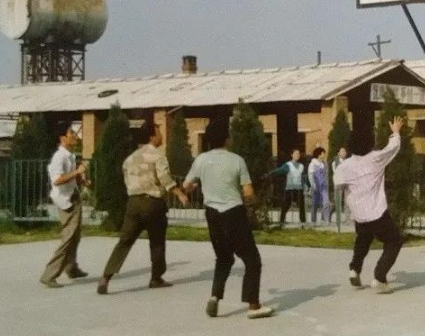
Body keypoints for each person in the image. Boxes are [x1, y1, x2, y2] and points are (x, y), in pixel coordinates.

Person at [183, 117, 274, 319]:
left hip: (212, 213)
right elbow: (248, 192)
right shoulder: (236, 160)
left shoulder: (201, 160)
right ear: (227, 138)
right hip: (233, 212)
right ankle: (253, 304)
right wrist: (255, 203)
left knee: (224, 258)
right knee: (251, 259)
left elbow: (187, 186)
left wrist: (198, 185)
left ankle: (215, 296)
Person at [97, 123, 189, 295]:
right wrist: (179, 193)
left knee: (124, 241)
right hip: (153, 203)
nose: (162, 135)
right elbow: (164, 177)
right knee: (157, 241)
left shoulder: (129, 159)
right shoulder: (157, 156)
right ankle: (156, 278)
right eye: (159, 132)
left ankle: (106, 277)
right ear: (152, 137)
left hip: (133, 203)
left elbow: (127, 182)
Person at [334, 117, 405, 294]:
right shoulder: (375, 158)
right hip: (376, 211)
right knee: (394, 240)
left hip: (359, 213)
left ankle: (354, 269)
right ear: (370, 144)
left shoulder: (345, 166)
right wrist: (395, 132)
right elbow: (392, 148)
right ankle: (379, 277)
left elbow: (337, 184)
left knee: (363, 238)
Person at [40, 123, 90, 288]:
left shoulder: (70, 156)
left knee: (75, 236)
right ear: (62, 138)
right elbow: (57, 180)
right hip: (65, 201)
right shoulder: (59, 157)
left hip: (72, 197)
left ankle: (71, 268)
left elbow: (70, 177)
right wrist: (77, 172)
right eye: (71, 133)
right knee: (69, 237)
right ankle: (49, 275)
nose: (75, 136)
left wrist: (82, 180)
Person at [267, 149, 306, 227]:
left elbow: (303, 177)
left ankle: (303, 222)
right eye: (295, 153)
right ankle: (282, 221)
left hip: (299, 188)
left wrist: (307, 186)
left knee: (301, 205)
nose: (297, 155)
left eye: (298, 154)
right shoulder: (288, 165)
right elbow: (279, 170)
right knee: (286, 205)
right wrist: (270, 173)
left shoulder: (301, 166)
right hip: (290, 188)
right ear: (292, 155)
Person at [308, 147, 332, 224]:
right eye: (323, 153)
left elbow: (325, 176)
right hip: (315, 186)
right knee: (314, 204)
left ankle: (325, 219)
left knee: (326, 202)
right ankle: (313, 221)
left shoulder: (324, 164)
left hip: (323, 186)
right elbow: (310, 176)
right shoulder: (312, 164)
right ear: (319, 154)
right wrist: (313, 185)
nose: (324, 155)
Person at [331, 147, 350, 223]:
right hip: (338, 183)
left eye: (345, 151)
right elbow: (337, 172)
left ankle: (347, 219)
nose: (344, 153)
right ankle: (335, 217)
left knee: (347, 201)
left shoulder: (348, 162)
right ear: (338, 153)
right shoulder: (335, 162)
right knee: (337, 201)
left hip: (346, 183)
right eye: (342, 151)